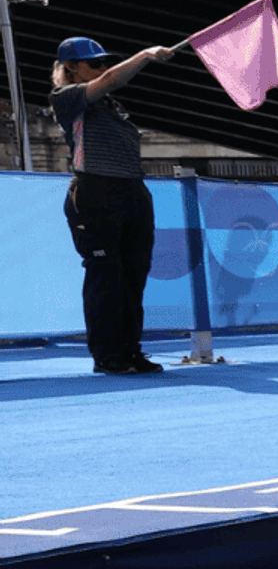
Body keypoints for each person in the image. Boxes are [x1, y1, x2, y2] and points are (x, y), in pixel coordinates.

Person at [49, 36, 174, 374]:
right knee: (106, 275)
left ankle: (130, 350)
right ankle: (107, 355)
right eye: (95, 63)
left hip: (131, 191)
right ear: (71, 69)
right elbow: (110, 80)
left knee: (134, 274)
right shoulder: (67, 99)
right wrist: (146, 52)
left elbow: (108, 83)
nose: (103, 68)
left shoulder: (112, 109)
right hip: (94, 191)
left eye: (106, 62)